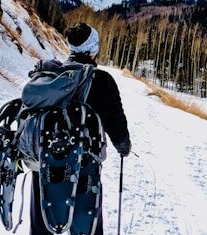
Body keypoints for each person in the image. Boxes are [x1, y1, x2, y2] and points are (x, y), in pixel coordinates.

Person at [29, 23, 131, 235]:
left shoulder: (53, 77)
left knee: (43, 225)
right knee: (87, 226)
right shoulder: (102, 80)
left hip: (45, 163)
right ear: (93, 49)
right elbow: (116, 123)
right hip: (84, 166)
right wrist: (123, 146)